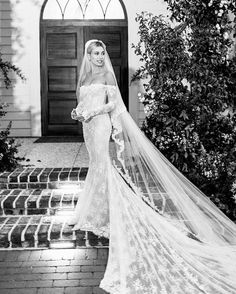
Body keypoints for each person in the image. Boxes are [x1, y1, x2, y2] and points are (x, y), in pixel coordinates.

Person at [70, 39, 236, 294]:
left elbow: (114, 103)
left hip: (101, 124)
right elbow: (82, 104)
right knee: (95, 164)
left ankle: (109, 211)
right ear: (88, 56)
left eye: (103, 53)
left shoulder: (106, 75)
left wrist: (95, 112)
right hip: (88, 127)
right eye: (96, 54)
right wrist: (78, 112)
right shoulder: (84, 77)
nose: (100, 57)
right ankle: (92, 210)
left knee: (104, 165)